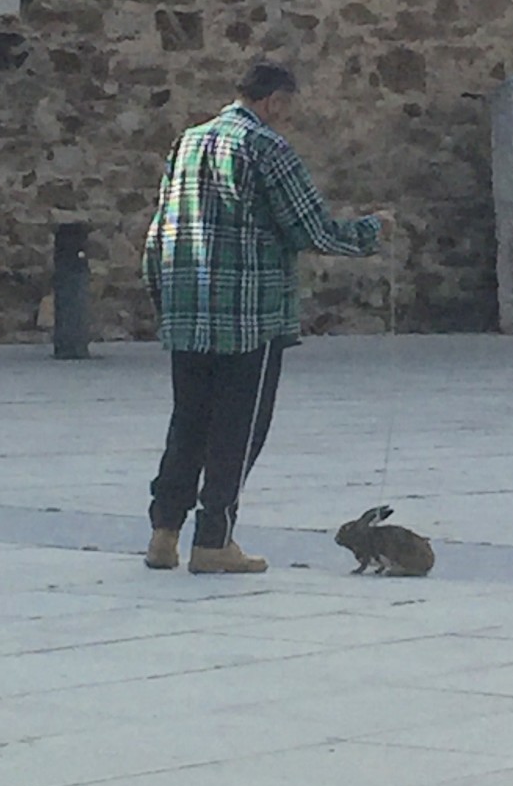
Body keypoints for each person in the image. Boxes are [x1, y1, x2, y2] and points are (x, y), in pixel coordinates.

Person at [142, 60, 392, 574]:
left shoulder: (187, 141)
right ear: (275, 100)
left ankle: (163, 534)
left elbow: (158, 228)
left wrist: (163, 299)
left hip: (188, 313)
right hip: (248, 319)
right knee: (238, 429)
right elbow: (310, 229)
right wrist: (372, 231)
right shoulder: (267, 148)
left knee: (187, 423)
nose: (288, 117)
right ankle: (214, 540)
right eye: (288, 107)